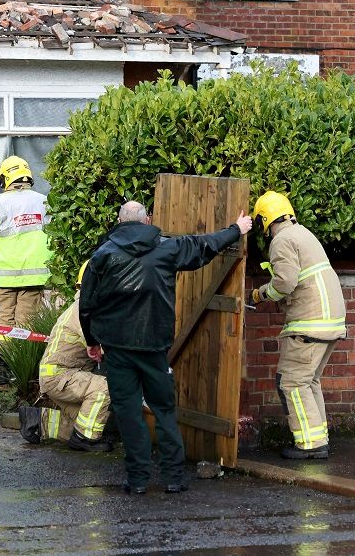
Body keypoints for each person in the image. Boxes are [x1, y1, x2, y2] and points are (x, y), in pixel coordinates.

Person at [79, 200, 251, 496]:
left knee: (128, 413)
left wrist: (92, 341)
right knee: (164, 410)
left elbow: (87, 304)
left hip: (117, 348)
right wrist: (236, 229)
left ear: (119, 222)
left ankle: (138, 480)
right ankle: (173, 477)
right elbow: (204, 245)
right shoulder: (166, 248)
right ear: (147, 220)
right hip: (154, 346)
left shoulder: (103, 255)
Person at [249, 190, 346, 460]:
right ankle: (318, 437)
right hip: (329, 321)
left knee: (291, 382)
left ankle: (310, 445)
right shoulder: (303, 234)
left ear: (264, 220)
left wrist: (260, 295)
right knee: (308, 381)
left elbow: (285, 282)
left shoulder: (282, 240)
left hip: (309, 323)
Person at [20, 262, 112, 452]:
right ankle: (85, 440)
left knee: (92, 421)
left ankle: (38, 420)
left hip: (60, 376)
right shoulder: (84, 311)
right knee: (105, 388)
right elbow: (106, 348)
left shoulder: (84, 307)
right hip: (61, 376)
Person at [0, 156, 51, 328]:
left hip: (3, 279)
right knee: (27, 324)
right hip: (34, 278)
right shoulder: (45, 202)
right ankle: (23, 348)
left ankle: (2, 348)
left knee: (3, 323)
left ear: (4, 179)